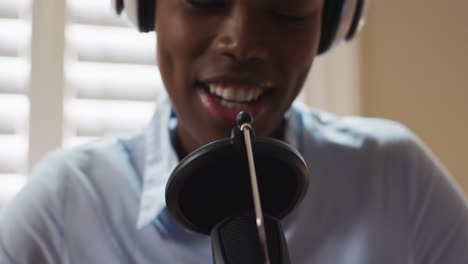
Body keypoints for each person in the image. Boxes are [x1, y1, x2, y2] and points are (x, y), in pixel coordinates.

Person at [1, 0, 468, 263]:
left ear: (329, 23)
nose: (242, 43)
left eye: (288, 6)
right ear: (147, 7)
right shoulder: (62, 210)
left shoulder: (400, 181)